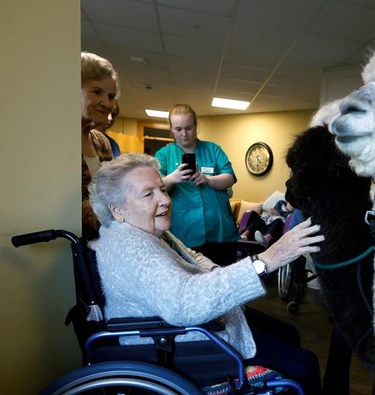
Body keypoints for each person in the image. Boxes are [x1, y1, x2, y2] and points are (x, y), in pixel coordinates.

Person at [88, 153, 324, 394]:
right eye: (148, 194)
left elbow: (192, 255)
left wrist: (213, 272)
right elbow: (184, 303)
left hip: (199, 326)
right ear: (116, 209)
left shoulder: (146, 231)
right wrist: (268, 259)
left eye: (163, 190)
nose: (165, 200)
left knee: (289, 333)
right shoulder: (131, 247)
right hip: (180, 344)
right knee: (304, 365)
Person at [155, 104, 240, 265]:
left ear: (196, 127)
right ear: (171, 129)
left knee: (226, 279)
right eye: (178, 129)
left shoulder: (213, 149)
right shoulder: (164, 154)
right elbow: (155, 187)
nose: (184, 134)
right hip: (184, 232)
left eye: (189, 128)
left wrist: (207, 180)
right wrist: (173, 178)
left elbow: (229, 178)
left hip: (220, 230)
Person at [81, 51, 119, 241]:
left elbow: (111, 192)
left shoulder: (101, 141)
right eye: (97, 92)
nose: (106, 103)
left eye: (111, 96)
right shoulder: (56, 141)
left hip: (102, 242)